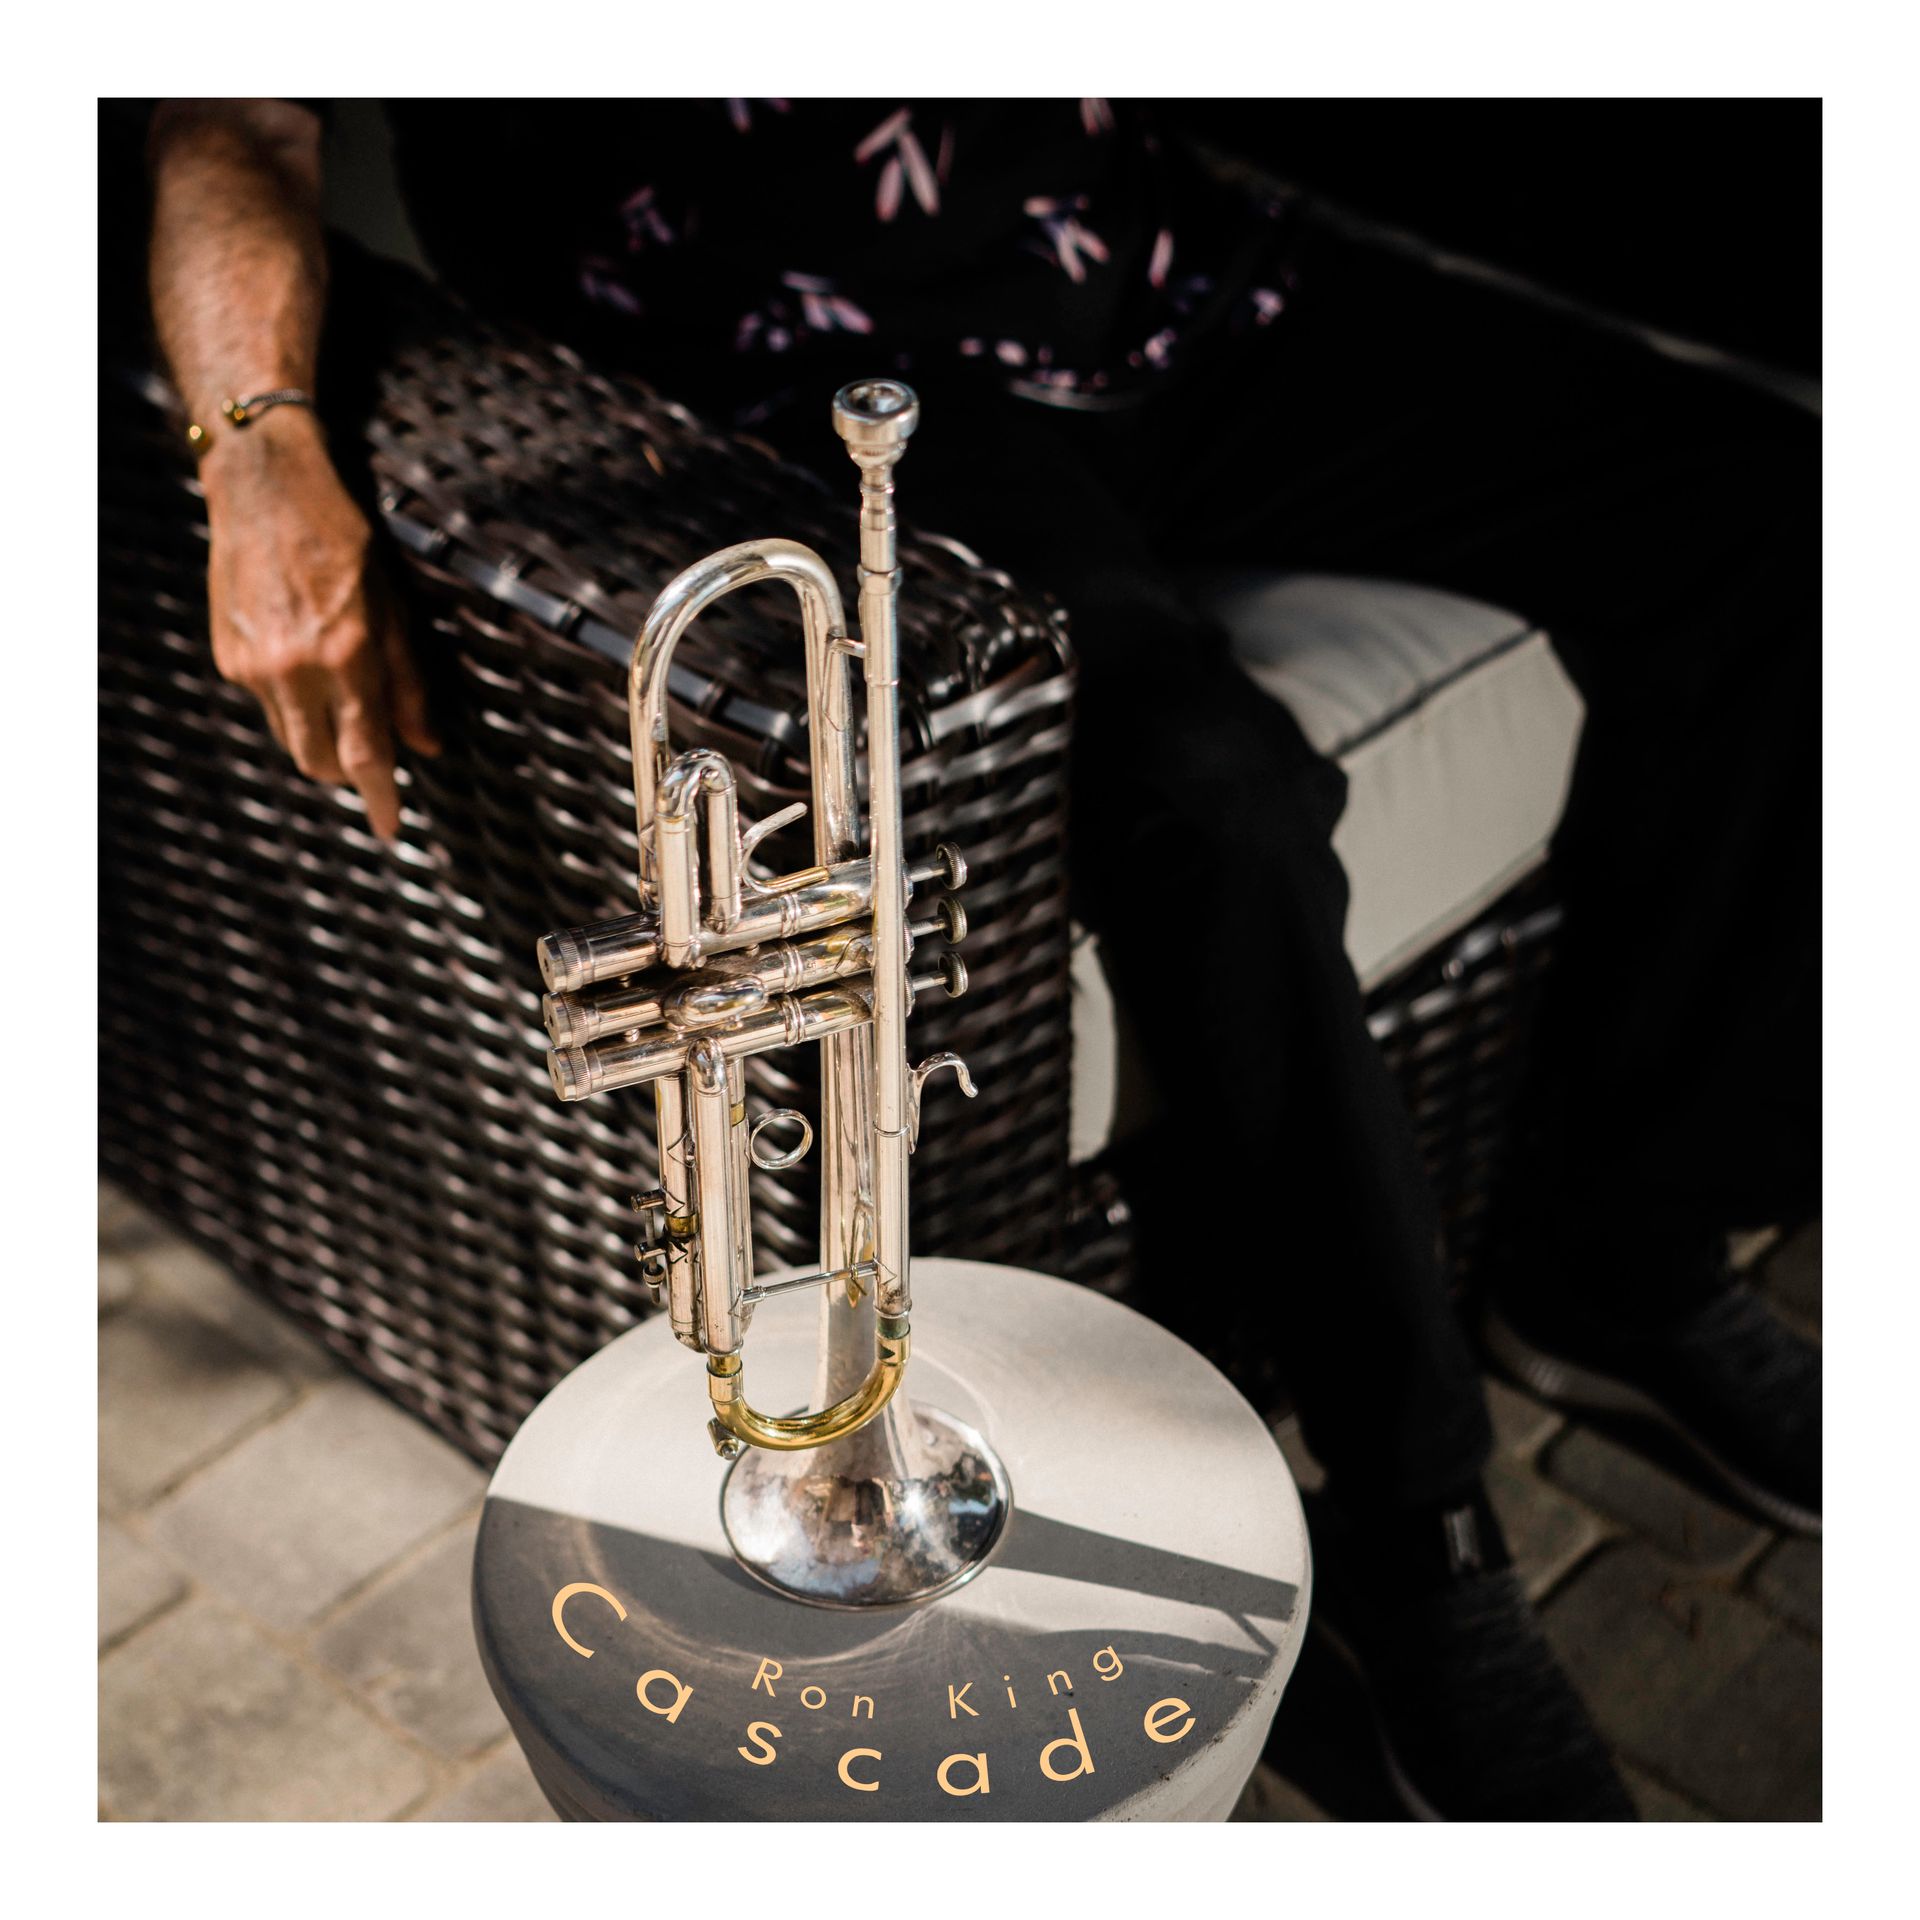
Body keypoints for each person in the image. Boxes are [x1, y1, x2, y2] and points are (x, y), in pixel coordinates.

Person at [144, 98, 1820, 1821]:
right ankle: (1420, 1541)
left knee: (1790, 518)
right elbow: (227, 108)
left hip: (1155, 268)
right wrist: (254, 432)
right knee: (1217, 801)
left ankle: (1627, 1246)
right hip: (787, 384)